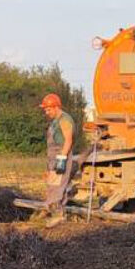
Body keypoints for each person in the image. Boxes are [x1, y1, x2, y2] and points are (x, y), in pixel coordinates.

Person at [39, 93, 79, 221]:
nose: (46, 112)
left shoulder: (64, 120)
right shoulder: (55, 121)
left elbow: (68, 140)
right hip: (53, 157)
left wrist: (62, 159)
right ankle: (48, 209)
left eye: (48, 109)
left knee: (58, 186)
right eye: (45, 110)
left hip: (61, 155)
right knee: (52, 185)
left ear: (56, 107)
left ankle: (58, 215)